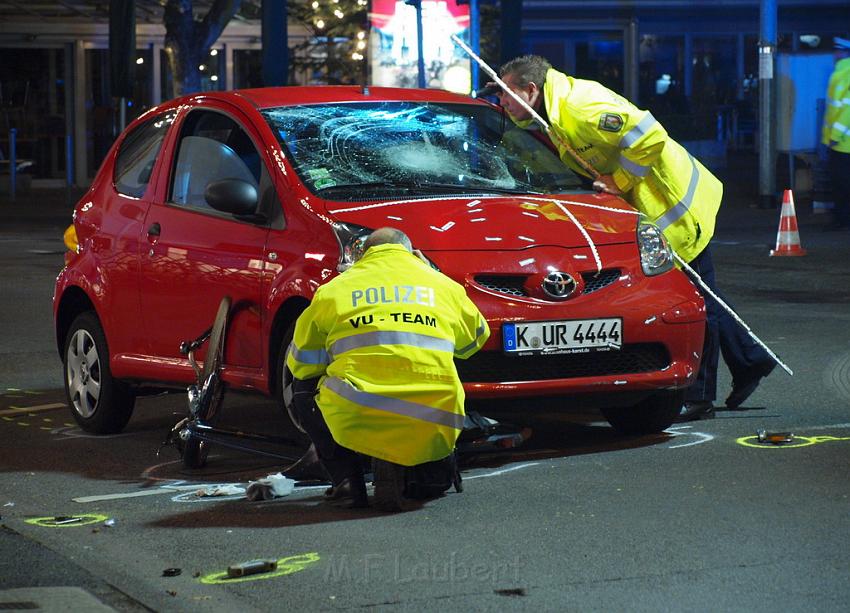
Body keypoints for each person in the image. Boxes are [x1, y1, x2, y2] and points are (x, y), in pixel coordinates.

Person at [493, 54, 775, 420]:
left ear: (530, 90)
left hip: (675, 207)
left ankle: (700, 395)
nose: (501, 102)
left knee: (695, 300)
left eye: (505, 95)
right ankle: (751, 360)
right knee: (705, 292)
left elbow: (650, 135)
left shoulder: (580, 107)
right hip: (665, 206)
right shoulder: (556, 109)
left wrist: (618, 181)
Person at [286, 227, 490, 509]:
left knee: (302, 388)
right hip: (435, 409)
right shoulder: (441, 285)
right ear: (412, 253)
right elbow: (475, 341)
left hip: (357, 408)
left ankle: (346, 479)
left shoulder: (333, 290)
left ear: (363, 255)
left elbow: (302, 363)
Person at [821, 36, 850, 231]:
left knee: (842, 184)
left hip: (843, 143)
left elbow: (846, 110)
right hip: (840, 143)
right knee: (840, 183)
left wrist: (834, 137)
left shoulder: (845, 74)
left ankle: (843, 219)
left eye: (838, 50)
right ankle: (841, 217)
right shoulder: (840, 73)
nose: (835, 53)